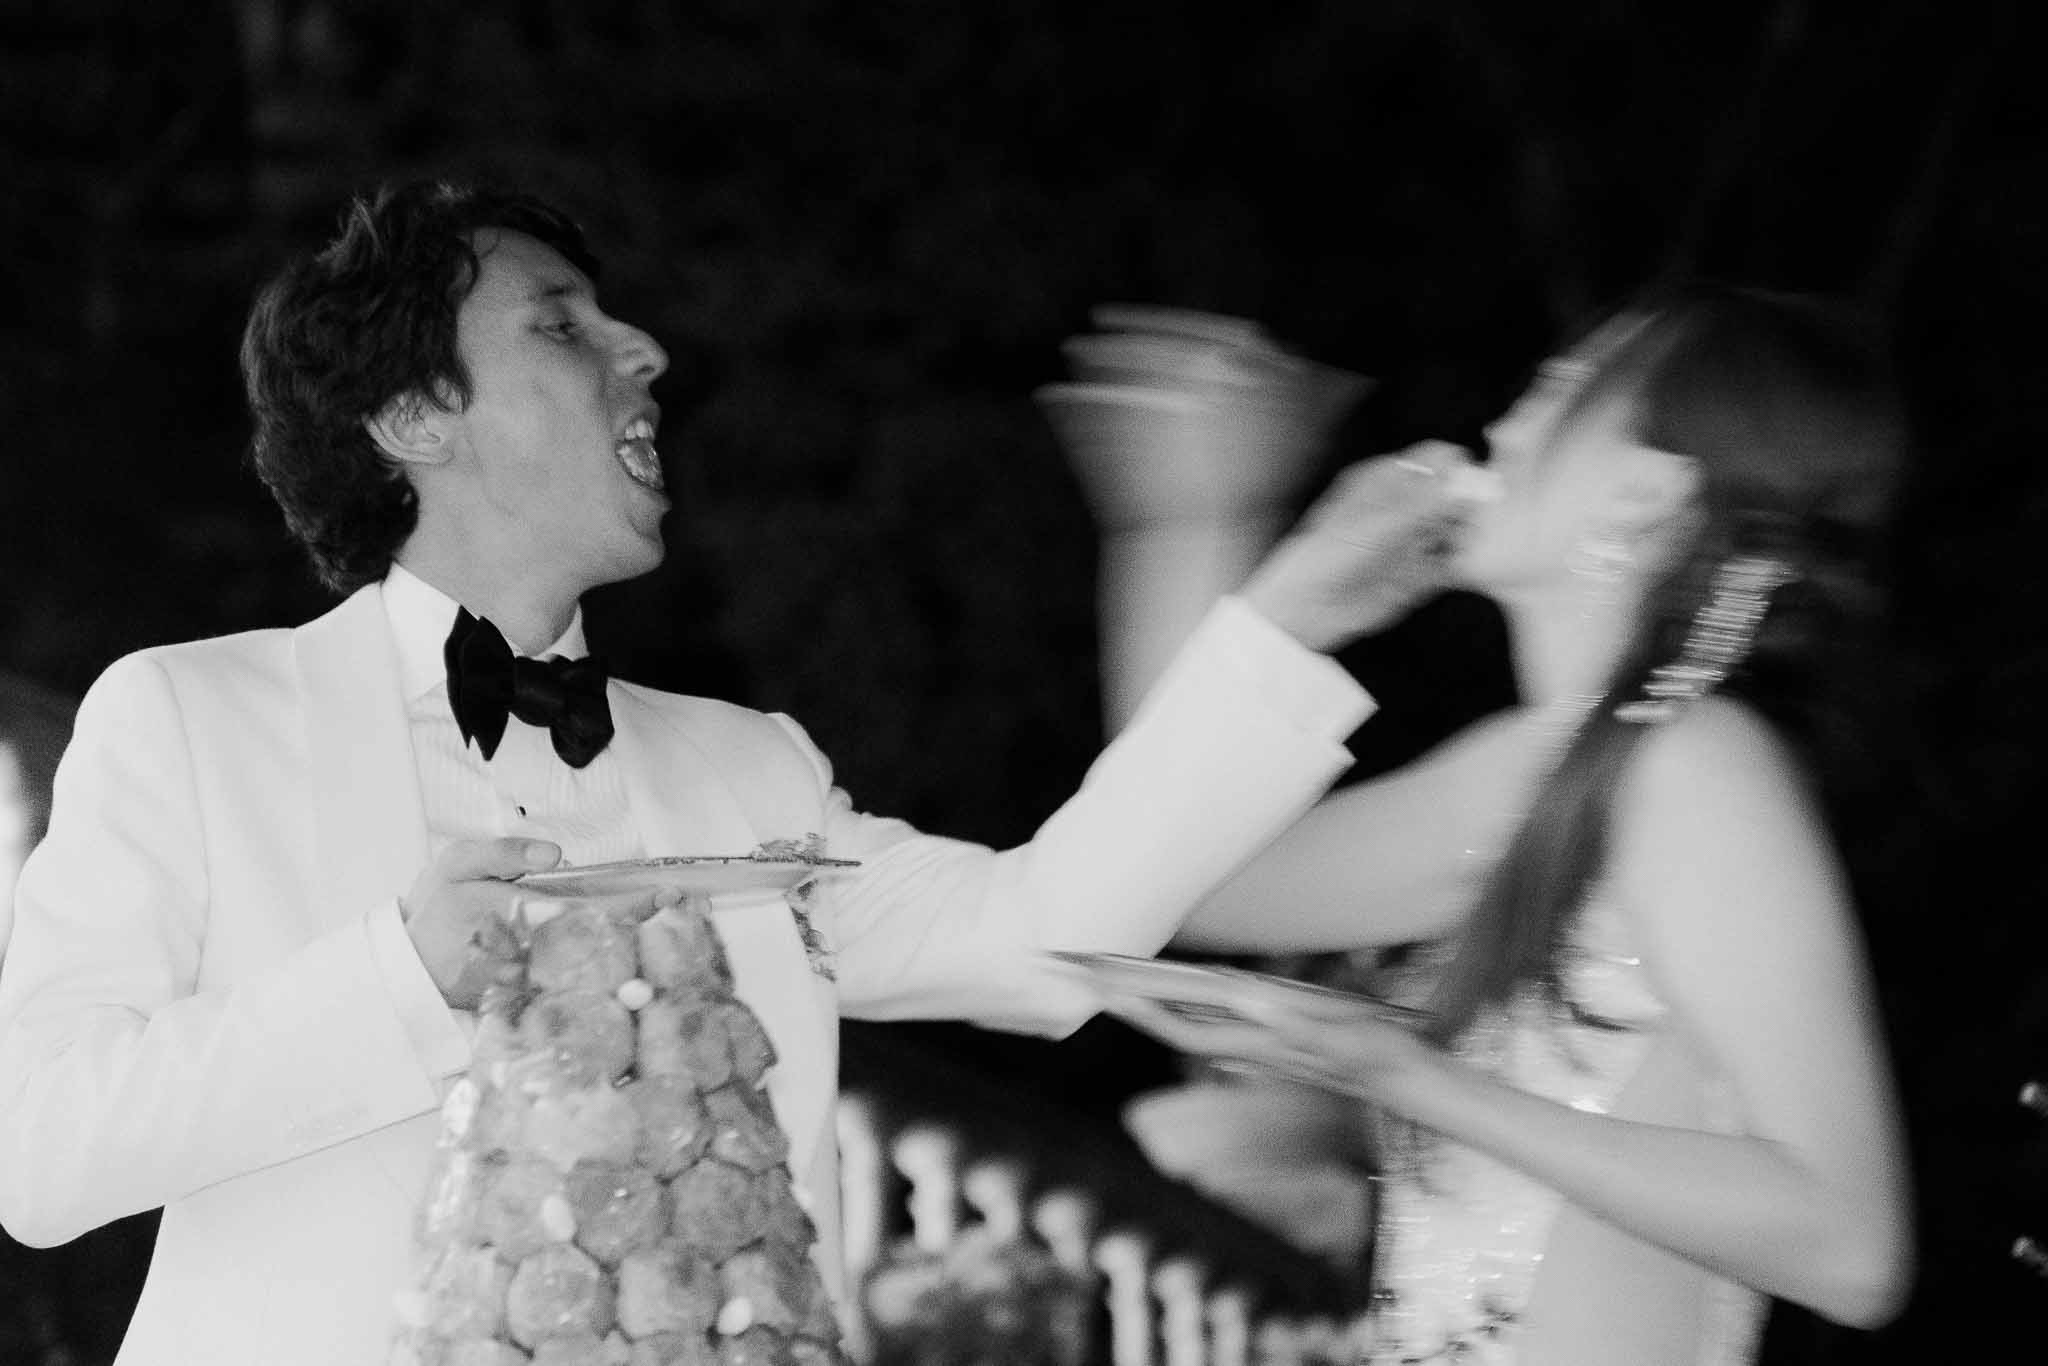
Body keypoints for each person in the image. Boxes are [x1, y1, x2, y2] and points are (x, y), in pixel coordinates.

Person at [0, 180, 1468, 1366]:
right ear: (413, 416)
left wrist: (1286, 625)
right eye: (562, 328)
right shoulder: (191, 718)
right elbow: (43, 1148)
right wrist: (395, 978)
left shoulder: (749, 770)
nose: (644, 350)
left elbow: (1048, 930)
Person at [1112, 289, 1915, 1365]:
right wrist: (1231, 559)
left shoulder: (1693, 765)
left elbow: (1849, 1245)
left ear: (1646, 489)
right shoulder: (1536, 776)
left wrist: (1410, 1076)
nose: (1506, 424)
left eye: (1558, 393)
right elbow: (1178, 874)